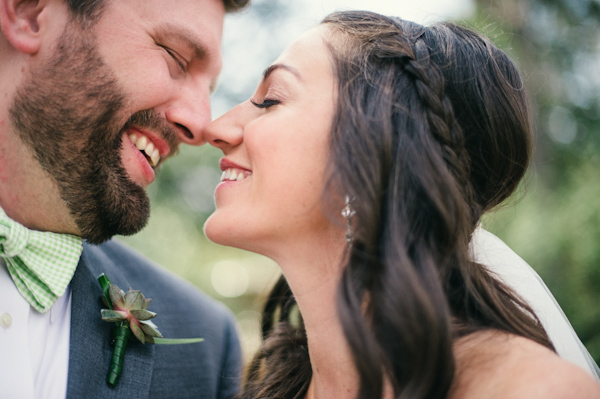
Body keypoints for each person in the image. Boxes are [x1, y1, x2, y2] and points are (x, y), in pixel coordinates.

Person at [203, 10, 600, 399]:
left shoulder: (528, 390)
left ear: (376, 150)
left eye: (271, 100)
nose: (216, 128)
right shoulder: (268, 387)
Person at [0, 0, 248, 398]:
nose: (201, 124)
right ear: (30, 12)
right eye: (175, 57)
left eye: (210, 90)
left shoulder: (205, 348)